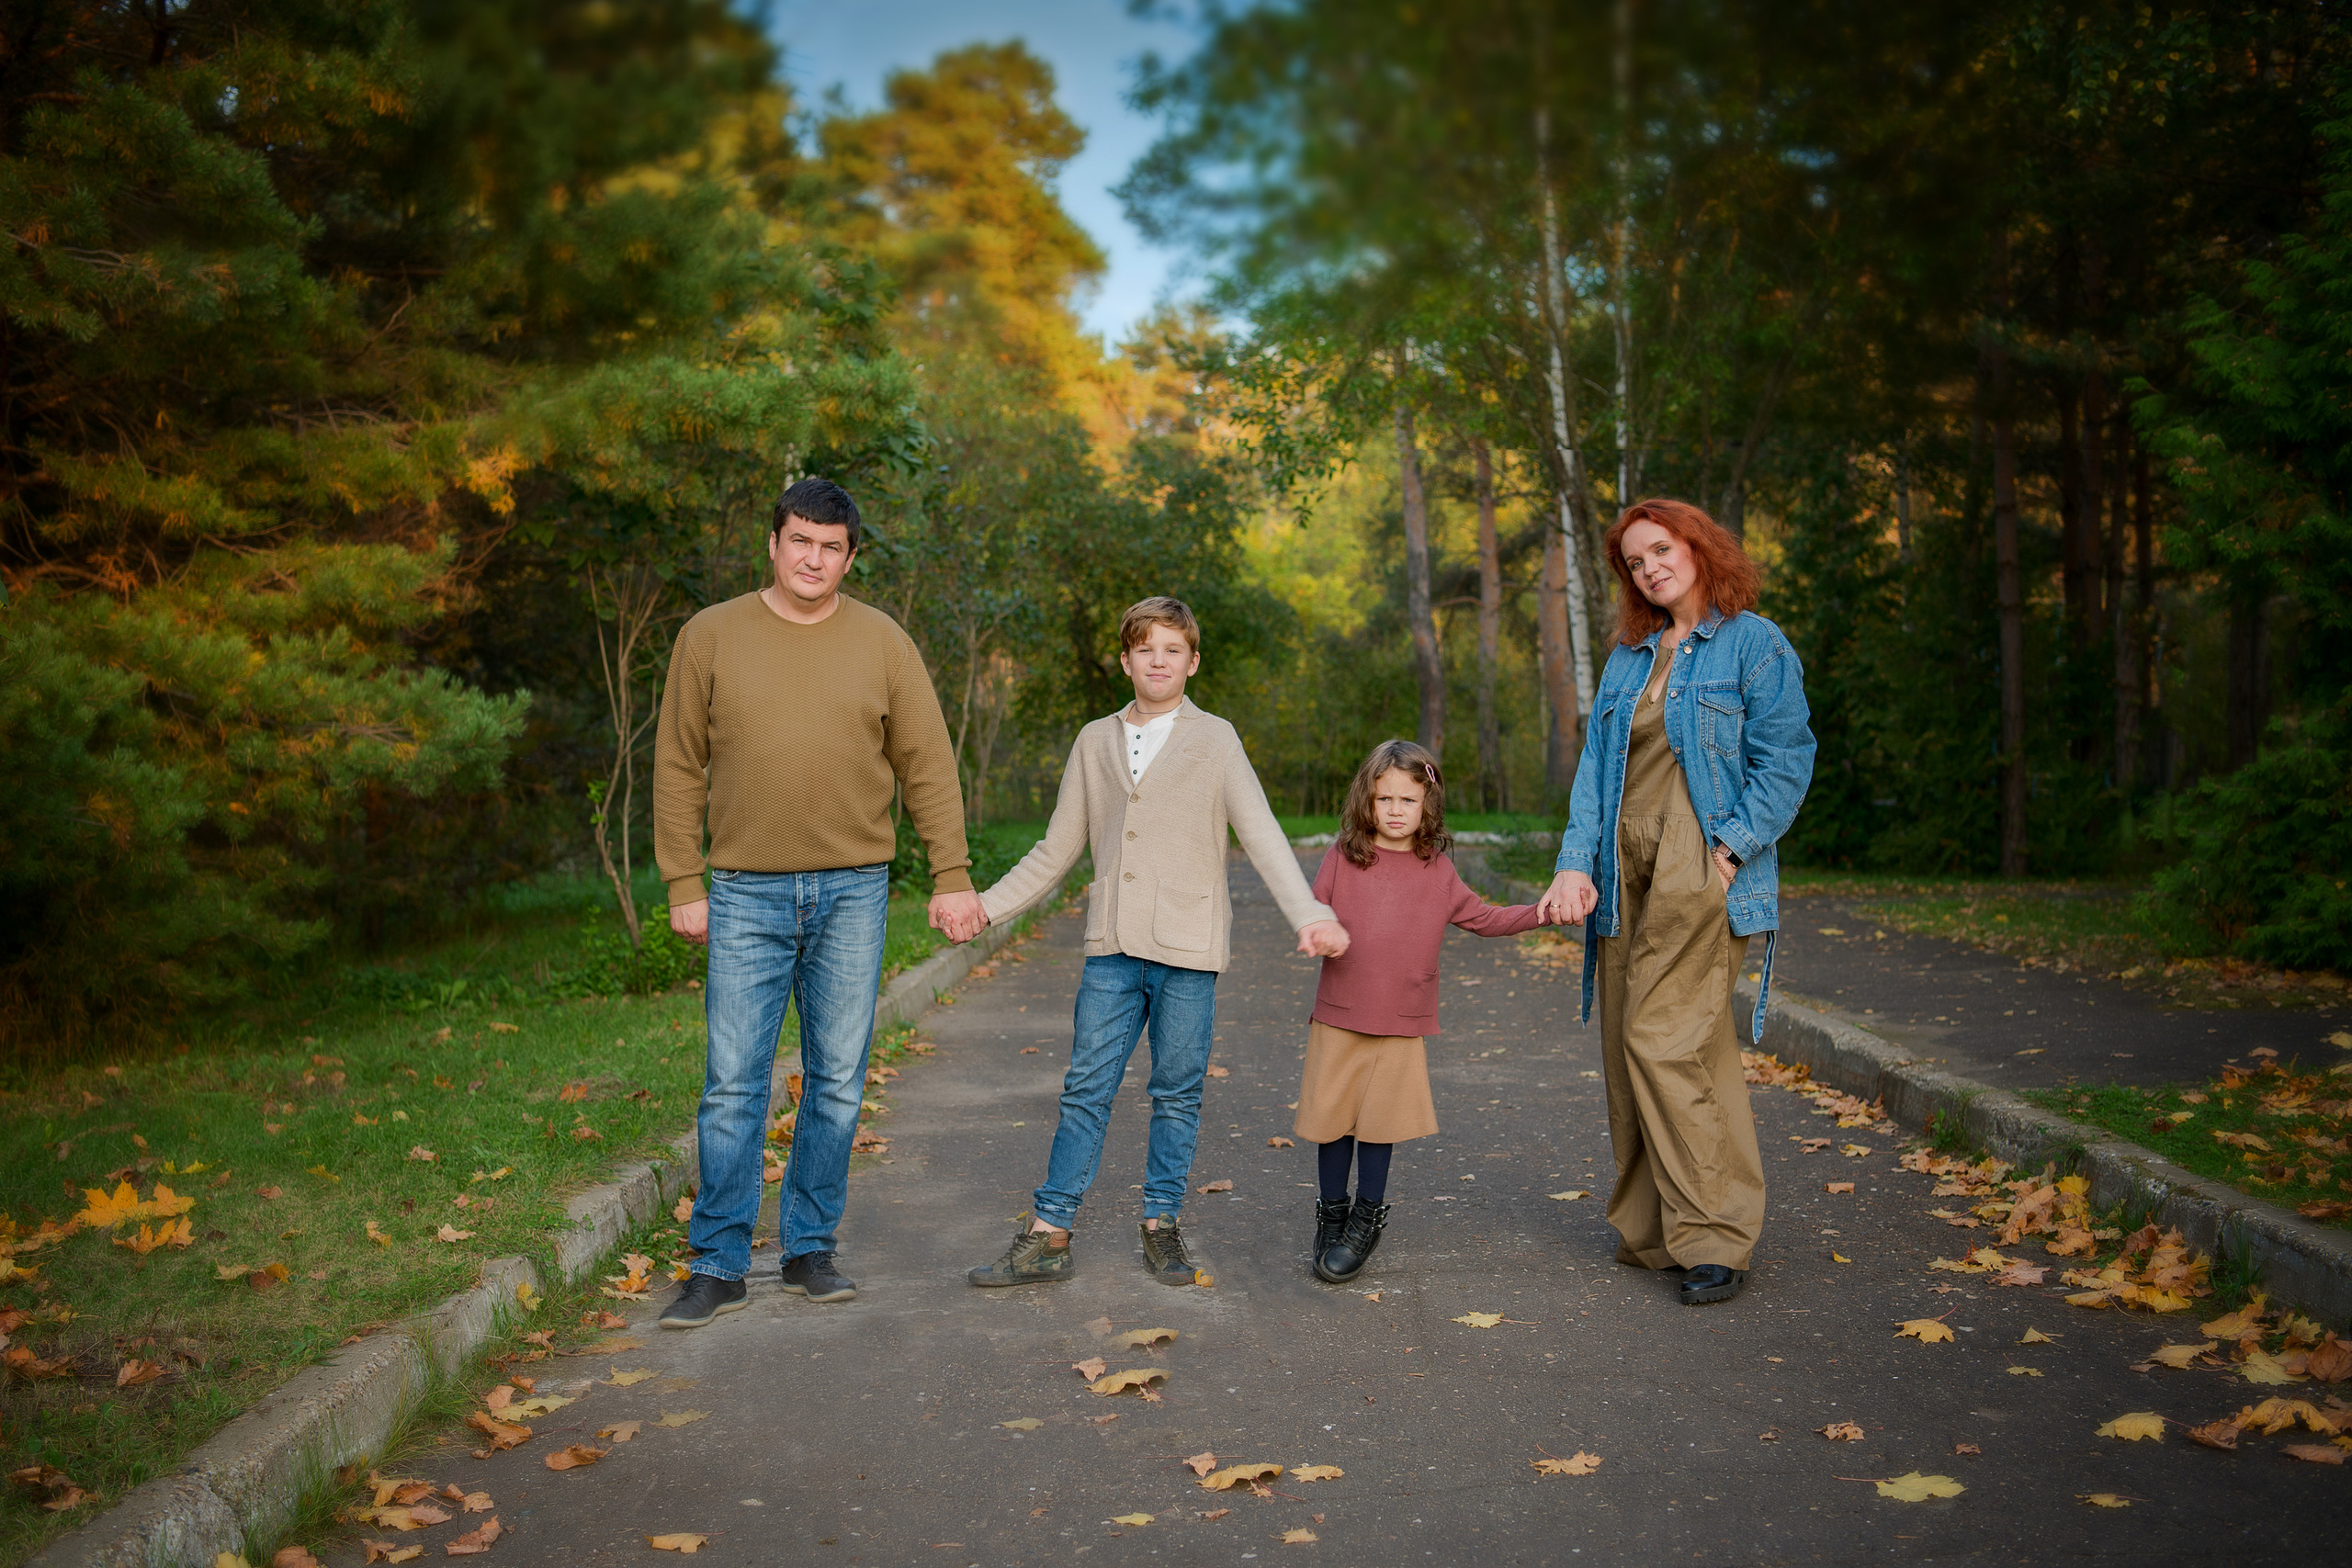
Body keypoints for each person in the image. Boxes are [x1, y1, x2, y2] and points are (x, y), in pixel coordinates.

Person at [650, 478, 987, 1329]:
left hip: (853, 889)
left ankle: (808, 1248)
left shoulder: (883, 642)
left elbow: (927, 763)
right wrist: (682, 880)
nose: (813, 558)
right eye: (800, 540)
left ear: (850, 555)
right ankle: (719, 1262)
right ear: (773, 543)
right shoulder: (711, 636)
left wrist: (952, 872)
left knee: (835, 1080)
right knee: (734, 1083)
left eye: (831, 546)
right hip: (742, 890)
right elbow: (679, 764)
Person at [962, 596, 1351, 1289]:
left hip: (1188, 950)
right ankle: (1049, 1233)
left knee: (1176, 1092)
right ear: (1126, 661)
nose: (1159, 660)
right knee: (1086, 1087)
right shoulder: (1094, 741)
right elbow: (1056, 848)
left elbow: (1259, 833)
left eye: (1173, 649)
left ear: (1192, 662)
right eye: (1146, 649)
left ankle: (1161, 1224)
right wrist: (984, 908)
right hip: (1112, 945)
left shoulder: (1217, 740)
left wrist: (1308, 911)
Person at [1536, 498, 1815, 1307]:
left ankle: (1716, 1235)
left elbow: (1788, 758)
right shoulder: (1630, 654)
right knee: (1639, 1045)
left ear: (1697, 545)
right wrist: (1571, 864)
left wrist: (1729, 849)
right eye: (1634, 560)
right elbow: (1596, 767)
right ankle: (1657, 1228)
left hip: (1700, 860)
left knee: (1664, 1039)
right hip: (1623, 867)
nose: (1651, 566)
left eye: (1662, 549)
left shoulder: (1753, 643)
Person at [1295, 740, 1551, 1283]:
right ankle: (1331, 1214)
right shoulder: (1342, 858)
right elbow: (1311, 908)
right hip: (1340, 1012)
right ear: (1365, 800)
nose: (1393, 810)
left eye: (1407, 800)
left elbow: (1486, 917)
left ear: (1427, 805)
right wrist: (1318, 930)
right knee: (1333, 1123)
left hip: (1401, 1019)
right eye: (1383, 798)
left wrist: (1542, 912)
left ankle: (1366, 1219)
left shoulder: (1437, 873)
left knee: (1379, 1125)